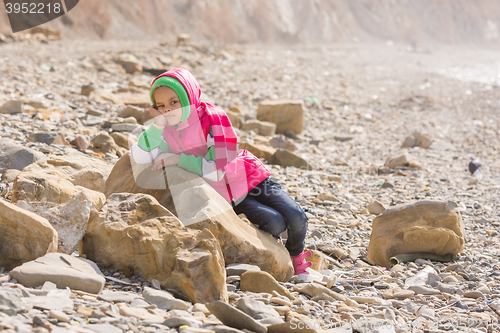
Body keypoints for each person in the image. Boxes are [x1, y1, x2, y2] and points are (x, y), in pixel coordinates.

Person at [130, 68, 312, 280]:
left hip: (251, 178)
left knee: (296, 216)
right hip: (226, 195)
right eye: (161, 106)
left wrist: (179, 159)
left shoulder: (212, 118)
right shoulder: (165, 131)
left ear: (188, 95)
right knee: (276, 223)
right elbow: (140, 156)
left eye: (174, 102)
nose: (168, 110)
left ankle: (297, 256)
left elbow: (217, 166)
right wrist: (157, 125)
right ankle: (279, 243)